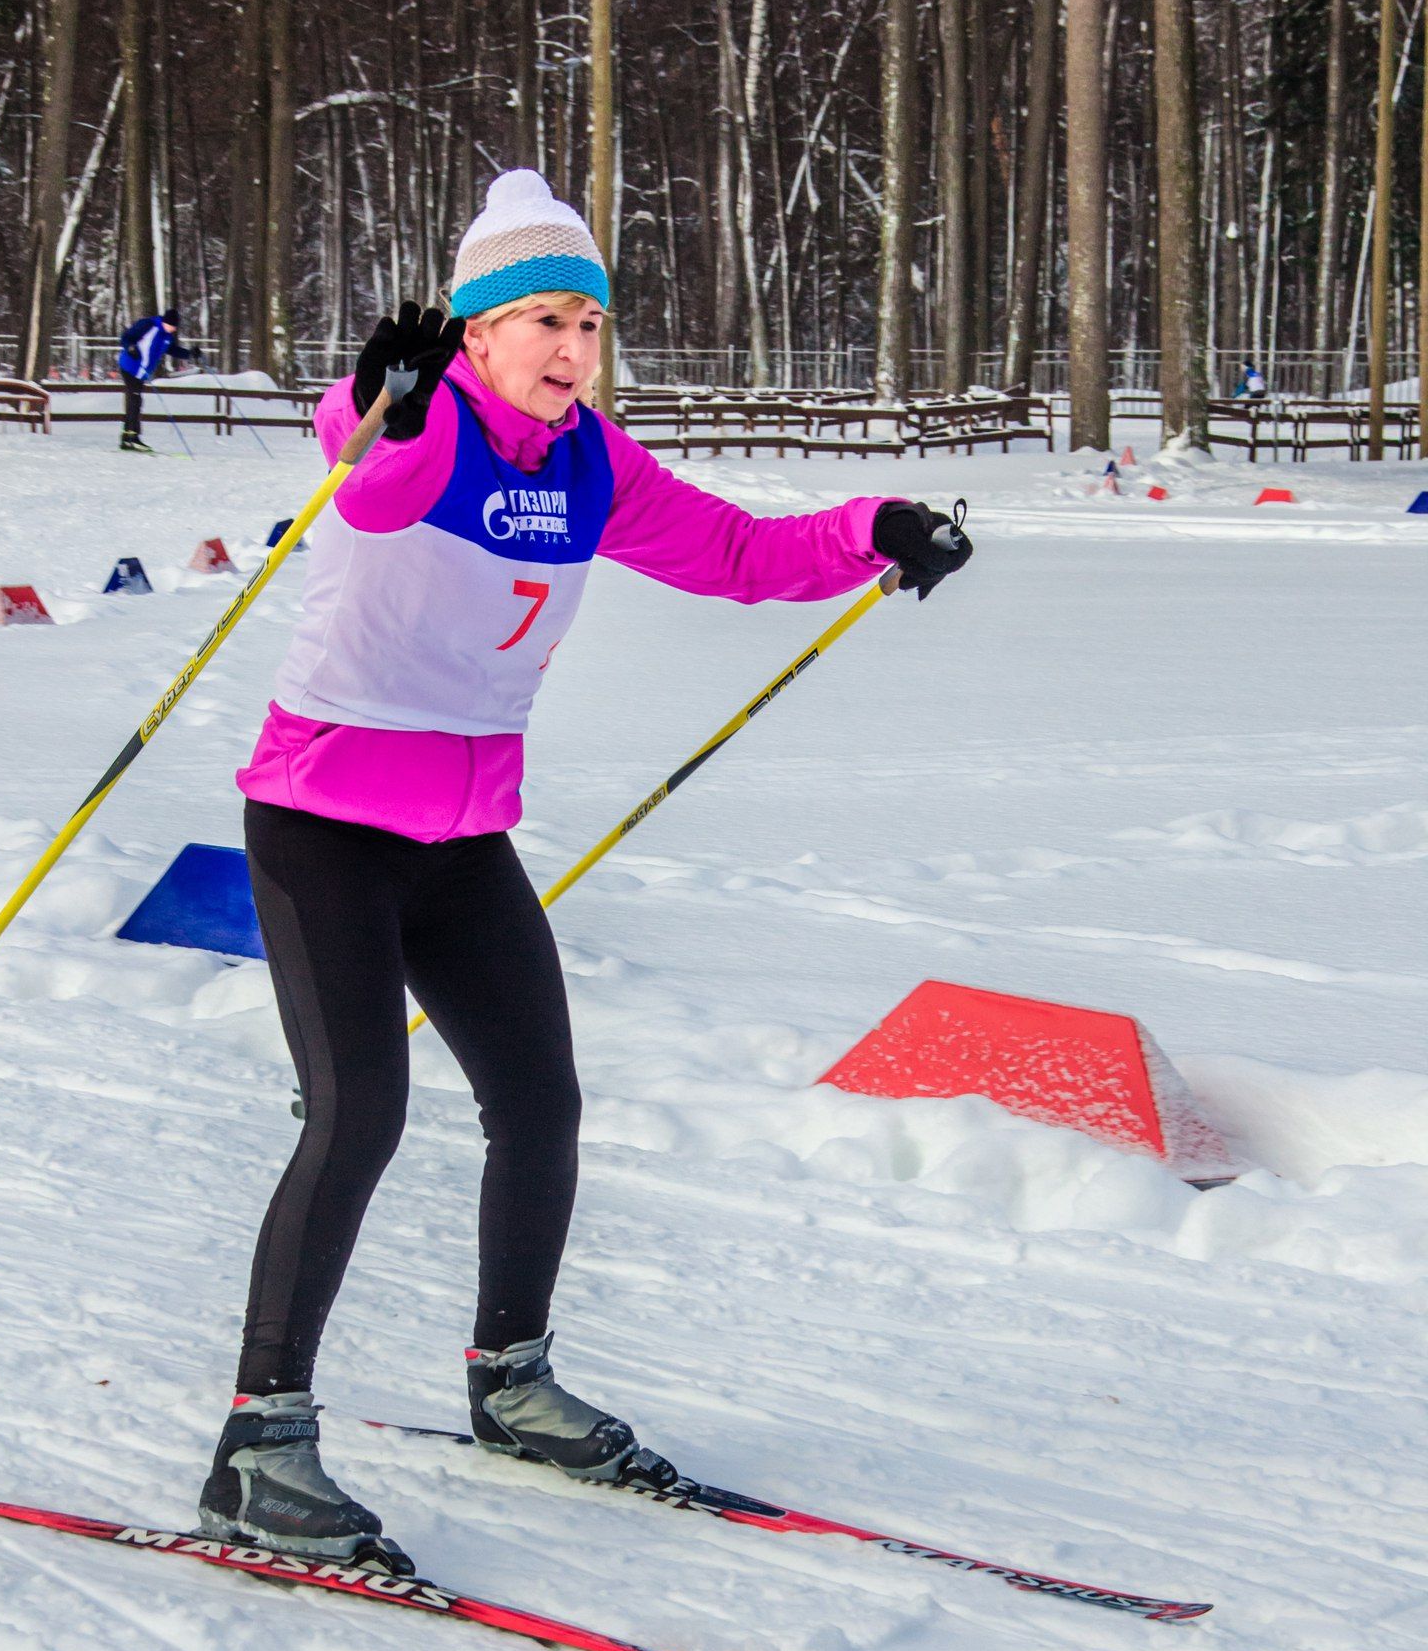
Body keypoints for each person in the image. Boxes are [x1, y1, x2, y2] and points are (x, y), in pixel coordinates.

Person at [198, 169, 973, 1570]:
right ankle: (260, 1442)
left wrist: (874, 529)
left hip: (460, 836)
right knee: (359, 1110)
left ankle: (513, 1380)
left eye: (590, 325)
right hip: (323, 823)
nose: (570, 348)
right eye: (543, 321)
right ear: (480, 335)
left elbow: (734, 552)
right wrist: (376, 394)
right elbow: (370, 483)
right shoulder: (426, 423)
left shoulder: (592, 465)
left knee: (541, 1103)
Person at [117, 306, 199, 451]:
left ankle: (127, 438)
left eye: (175, 327)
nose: (173, 329)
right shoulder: (148, 325)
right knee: (135, 400)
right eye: (172, 326)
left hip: (141, 372)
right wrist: (130, 347)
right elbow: (126, 337)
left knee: (134, 400)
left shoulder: (166, 336)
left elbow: (172, 350)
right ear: (165, 322)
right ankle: (132, 437)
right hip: (130, 366)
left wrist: (190, 354)